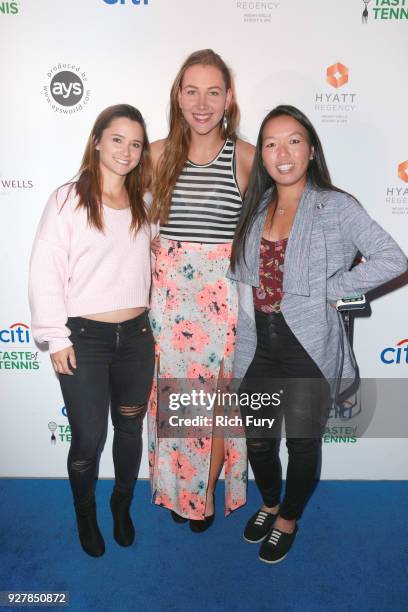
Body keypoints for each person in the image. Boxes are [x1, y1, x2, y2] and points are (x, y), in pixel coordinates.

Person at [229, 105, 407, 563]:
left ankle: (288, 518)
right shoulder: (258, 205)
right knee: (259, 441)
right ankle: (269, 504)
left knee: (303, 442)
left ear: (310, 150)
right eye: (270, 143)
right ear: (262, 155)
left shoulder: (336, 205)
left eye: (293, 141)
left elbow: (392, 258)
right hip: (258, 346)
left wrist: (330, 290)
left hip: (308, 346)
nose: (281, 152)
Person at [29, 104, 155, 557]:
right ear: (98, 140)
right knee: (87, 440)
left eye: (136, 143)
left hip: (137, 339)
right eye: (117, 139)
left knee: (128, 428)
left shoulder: (144, 204)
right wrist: (54, 336)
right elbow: (46, 270)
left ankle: (122, 505)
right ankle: (86, 514)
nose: (126, 150)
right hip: (84, 340)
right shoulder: (67, 199)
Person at [148, 49, 255, 531]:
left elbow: (287, 212)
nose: (202, 102)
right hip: (167, 302)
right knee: (176, 402)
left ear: (228, 98)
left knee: (212, 406)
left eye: (214, 91)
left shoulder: (246, 157)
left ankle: (204, 492)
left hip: (219, 304)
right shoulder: (155, 154)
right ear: (178, 94)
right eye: (192, 90)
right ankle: (179, 488)